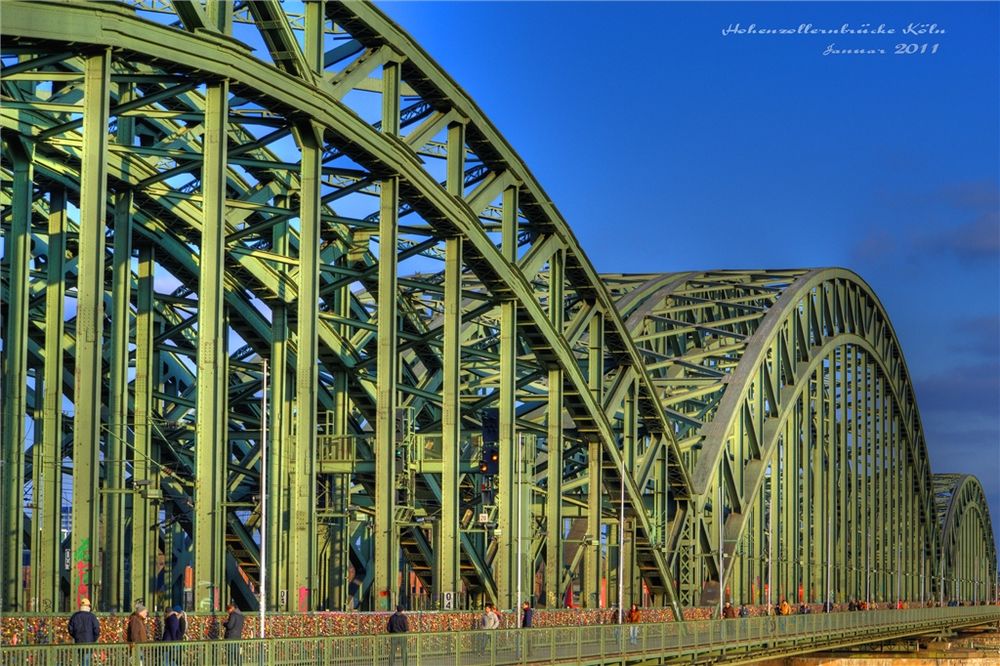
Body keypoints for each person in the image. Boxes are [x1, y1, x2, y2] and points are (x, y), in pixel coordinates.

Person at [67, 598, 100, 666]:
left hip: (79, 641)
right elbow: (97, 630)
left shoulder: (75, 616)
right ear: (88, 606)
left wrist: (76, 636)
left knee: (82, 658)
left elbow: (70, 629)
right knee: (87, 659)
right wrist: (93, 639)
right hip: (89, 641)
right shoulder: (92, 616)